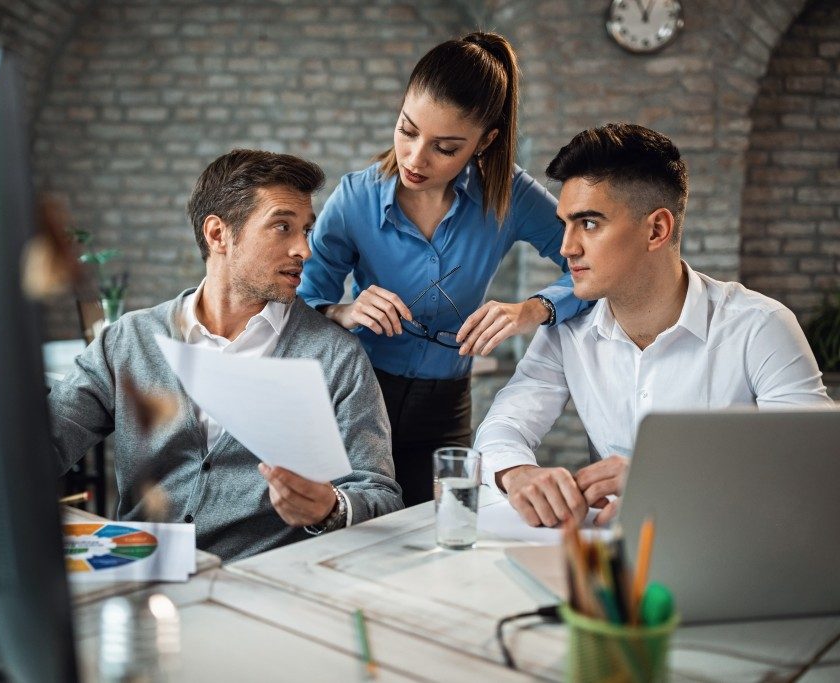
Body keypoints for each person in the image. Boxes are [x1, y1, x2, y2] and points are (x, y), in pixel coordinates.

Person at [48, 150, 403, 562]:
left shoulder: (334, 356)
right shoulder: (131, 339)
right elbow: (45, 441)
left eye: (306, 230)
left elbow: (380, 496)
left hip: (260, 587)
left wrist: (330, 509)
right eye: (282, 227)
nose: (304, 250)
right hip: (140, 579)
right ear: (218, 235)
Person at [474, 123, 833, 528]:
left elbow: (814, 466)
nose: (566, 247)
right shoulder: (565, 333)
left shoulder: (761, 327)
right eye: (565, 224)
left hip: (738, 555)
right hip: (613, 562)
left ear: (657, 229)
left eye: (588, 223)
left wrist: (663, 481)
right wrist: (519, 474)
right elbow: (502, 428)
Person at [298, 32, 589, 506]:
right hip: (356, 398)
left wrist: (534, 310)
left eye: (445, 147)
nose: (415, 158)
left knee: (443, 533)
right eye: (407, 130)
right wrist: (341, 312)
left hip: (448, 408)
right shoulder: (354, 199)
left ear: (485, 141)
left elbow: (593, 266)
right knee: (349, 532)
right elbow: (298, 304)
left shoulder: (510, 196)